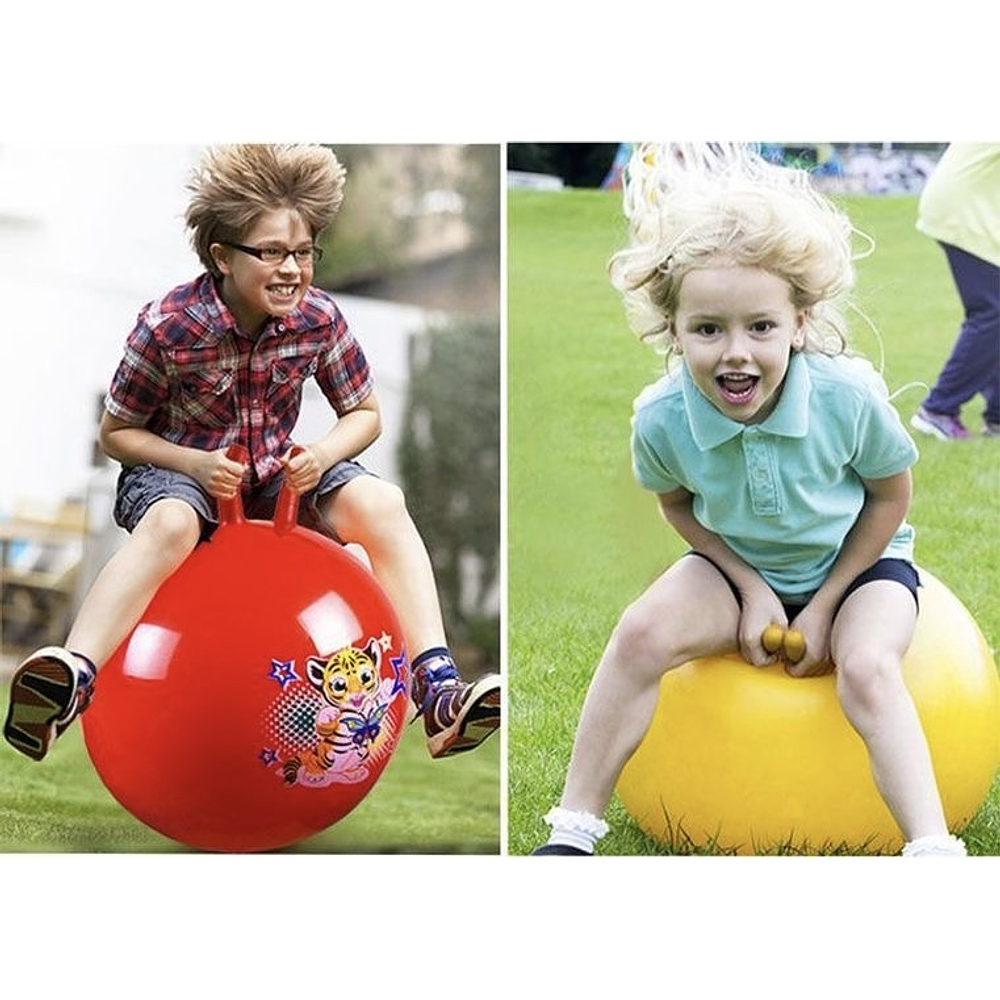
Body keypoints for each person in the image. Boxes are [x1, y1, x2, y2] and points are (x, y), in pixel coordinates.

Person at [533, 141, 966, 858]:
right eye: (708, 330)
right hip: (740, 570)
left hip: (860, 568)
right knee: (639, 634)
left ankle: (929, 844)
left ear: (798, 323)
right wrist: (748, 585)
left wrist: (825, 603)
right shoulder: (662, 418)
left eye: (760, 327)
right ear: (674, 331)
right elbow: (676, 505)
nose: (736, 353)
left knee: (865, 668)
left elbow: (892, 495)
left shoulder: (846, 397)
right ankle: (572, 830)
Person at [4, 142, 500, 766]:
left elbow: (365, 415)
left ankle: (438, 693)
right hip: (173, 476)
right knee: (174, 521)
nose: (292, 268)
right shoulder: (169, 326)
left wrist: (321, 456)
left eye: (303, 252)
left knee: (382, 500)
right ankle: (72, 678)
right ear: (222, 256)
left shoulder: (318, 319)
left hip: (272, 476)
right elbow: (117, 432)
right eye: (271, 252)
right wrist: (193, 466)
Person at [909, 141, 1000, 441]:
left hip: (970, 206)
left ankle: (997, 415)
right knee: (992, 313)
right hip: (966, 210)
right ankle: (938, 410)